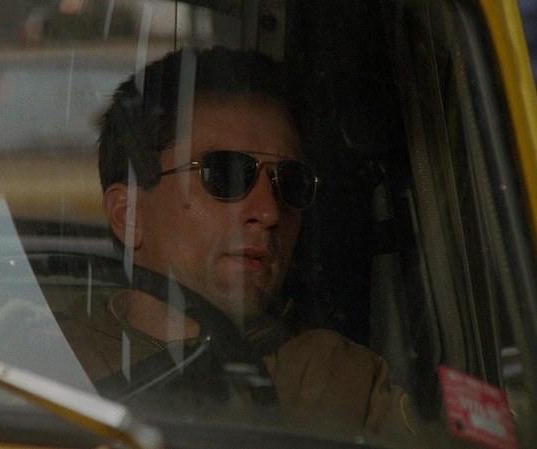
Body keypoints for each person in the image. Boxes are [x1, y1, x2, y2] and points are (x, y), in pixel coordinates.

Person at [52, 47, 414, 437]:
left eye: (290, 183)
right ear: (130, 214)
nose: (270, 211)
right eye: (225, 174)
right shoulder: (37, 362)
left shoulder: (344, 384)